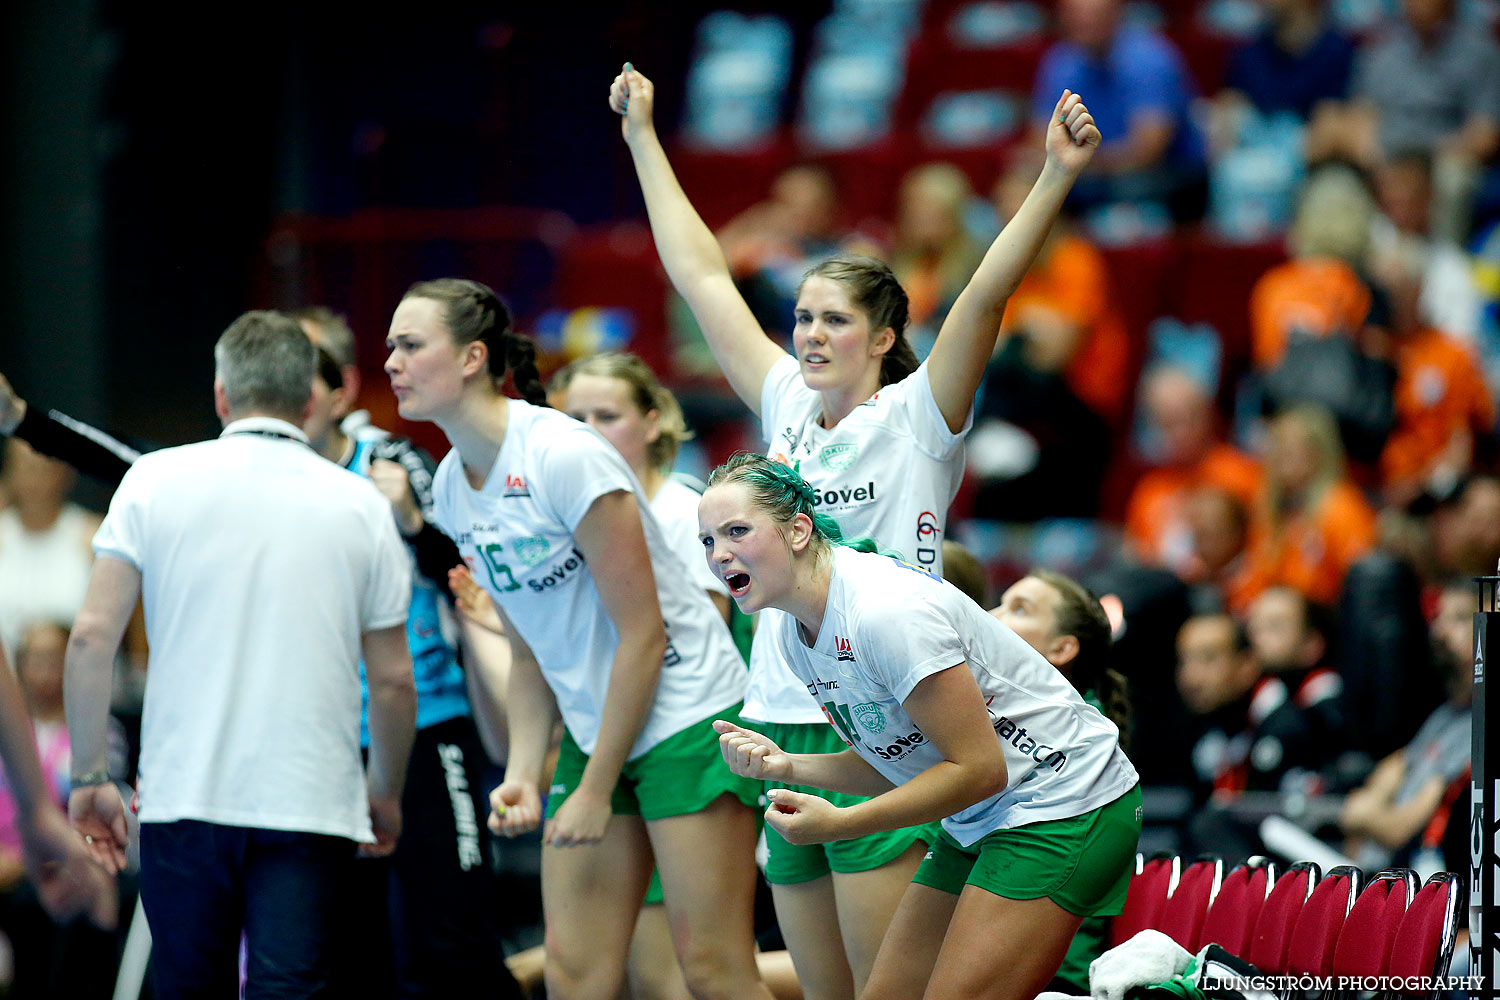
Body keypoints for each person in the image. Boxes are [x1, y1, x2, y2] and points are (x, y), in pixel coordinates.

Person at [612, 60, 1101, 1000]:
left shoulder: (920, 415)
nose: (808, 334)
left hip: (881, 724)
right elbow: (703, 271)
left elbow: (984, 301)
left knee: (890, 991)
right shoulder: (784, 402)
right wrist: (642, 137)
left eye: (834, 319)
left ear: (882, 337)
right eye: (800, 317)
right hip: (779, 719)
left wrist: (1053, 177)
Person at [383, 277, 768, 1000]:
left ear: (471, 357)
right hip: (601, 729)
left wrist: (592, 788)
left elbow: (645, 636)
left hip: (686, 715)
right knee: (574, 974)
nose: (391, 363)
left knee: (712, 972)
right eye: (390, 347)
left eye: (410, 345)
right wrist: (526, 771)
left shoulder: (564, 454)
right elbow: (531, 648)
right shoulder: (452, 488)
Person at [65, 311, 417, 998]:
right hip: (312, 801)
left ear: (223, 397)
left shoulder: (154, 479)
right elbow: (396, 681)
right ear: (311, 402)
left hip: (183, 798)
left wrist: (88, 775)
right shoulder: (360, 505)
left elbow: (90, 638)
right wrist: (386, 794)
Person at [701, 455, 1141, 1000]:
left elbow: (980, 770)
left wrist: (842, 824)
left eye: (736, 531)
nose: (719, 556)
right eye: (707, 541)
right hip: (983, 812)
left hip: (1065, 800)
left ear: (797, 530)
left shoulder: (885, 613)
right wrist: (789, 766)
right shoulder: (794, 633)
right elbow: (901, 760)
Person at [550, 350, 735, 1000]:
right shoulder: (567, 515)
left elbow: (691, 637)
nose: (591, 431)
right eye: (575, 418)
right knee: (598, 966)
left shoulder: (687, 511)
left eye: (608, 415)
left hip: (681, 735)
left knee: (678, 973)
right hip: (612, 735)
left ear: (654, 422)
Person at [987, 569, 1131, 995]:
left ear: (1062, 648)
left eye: (1018, 609)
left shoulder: (1079, 744)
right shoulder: (1002, 714)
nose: (990, 615)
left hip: (1053, 983)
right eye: (999, 602)